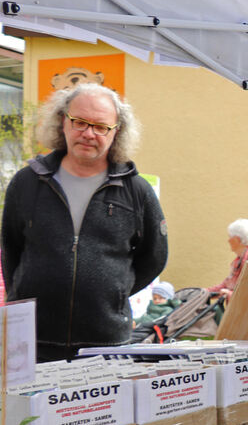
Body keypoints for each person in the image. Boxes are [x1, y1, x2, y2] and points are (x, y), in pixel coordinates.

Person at [1, 83, 168, 362]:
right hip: (34, 340)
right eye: (79, 122)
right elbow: (11, 251)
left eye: (101, 126)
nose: (88, 133)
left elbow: (154, 257)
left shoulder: (136, 191)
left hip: (106, 343)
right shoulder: (27, 182)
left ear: (116, 132)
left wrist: (112, 292)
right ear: (62, 121)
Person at [210, 219, 248, 300]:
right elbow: (225, 285)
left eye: (230, 237)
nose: (228, 240)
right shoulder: (242, 258)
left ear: (237, 240)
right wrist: (203, 293)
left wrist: (229, 294)